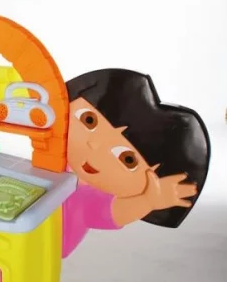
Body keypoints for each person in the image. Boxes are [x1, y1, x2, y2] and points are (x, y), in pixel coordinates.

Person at [62, 68, 211, 258]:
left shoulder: (83, 199)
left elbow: (111, 211)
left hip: (43, 248)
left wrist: (147, 201)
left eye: (128, 159)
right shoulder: (56, 159)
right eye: (89, 120)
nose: (95, 145)